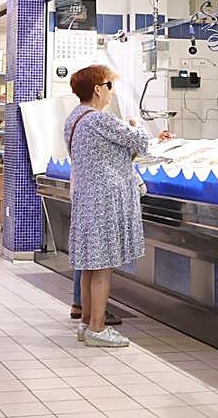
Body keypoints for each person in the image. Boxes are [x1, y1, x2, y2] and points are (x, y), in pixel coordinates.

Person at [66, 64, 171, 348]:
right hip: (105, 201)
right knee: (103, 269)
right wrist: (136, 125)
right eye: (109, 86)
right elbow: (139, 140)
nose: (112, 92)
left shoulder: (74, 118)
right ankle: (98, 329)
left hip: (87, 199)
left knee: (90, 266)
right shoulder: (99, 119)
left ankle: (87, 324)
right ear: (98, 89)